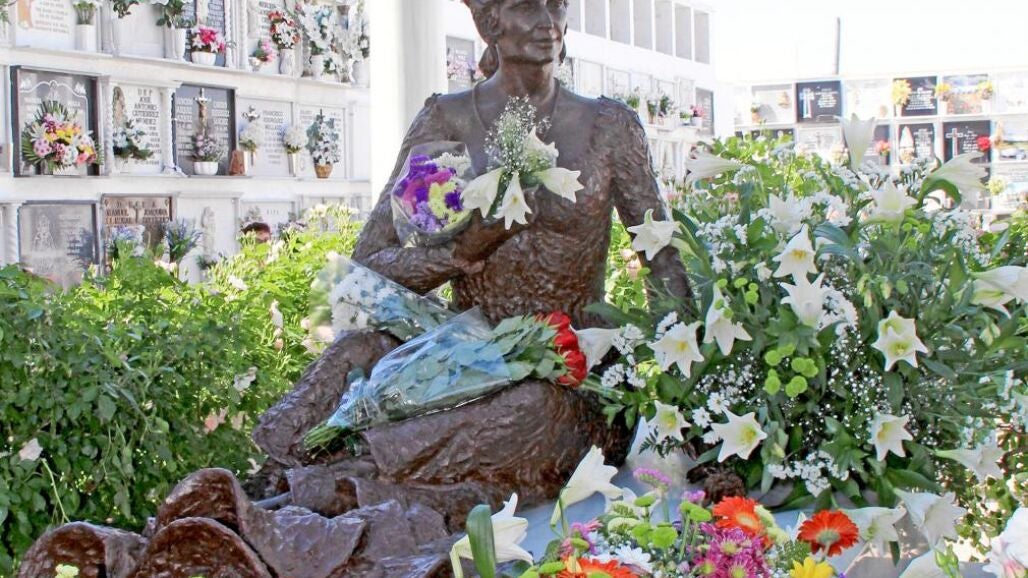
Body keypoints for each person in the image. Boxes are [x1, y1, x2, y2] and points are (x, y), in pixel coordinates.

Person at [251, 0, 693, 514]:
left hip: (570, 373)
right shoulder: (448, 120)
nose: (547, 21)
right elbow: (365, 271)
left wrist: (686, 390)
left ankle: (338, 480)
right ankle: (273, 474)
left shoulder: (609, 125)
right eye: (526, 6)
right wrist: (460, 253)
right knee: (358, 350)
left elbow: (663, 259)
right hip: (463, 353)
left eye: (556, 4)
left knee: (530, 405)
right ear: (489, 22)